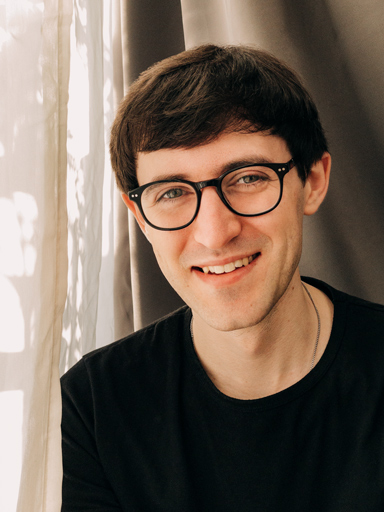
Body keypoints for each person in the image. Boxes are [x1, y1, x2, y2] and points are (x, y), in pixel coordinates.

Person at [61, 44, 384, 511]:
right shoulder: (93, 406)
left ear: (312, 181)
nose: (215, 234)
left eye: (249, 178)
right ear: (140, 216)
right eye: (171, 192)